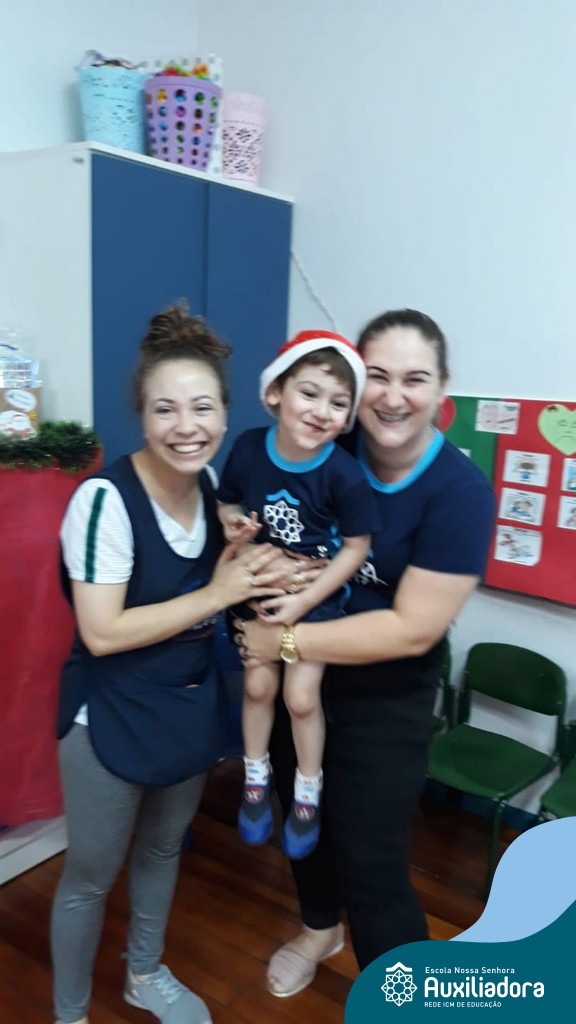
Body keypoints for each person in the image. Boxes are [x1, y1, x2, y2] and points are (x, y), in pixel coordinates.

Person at [237, 308, 496, 996]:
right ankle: (319, 927)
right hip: (304, 677)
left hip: (388, 693)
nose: (393, 396)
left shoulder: (460, 493)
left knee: (372, 860)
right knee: (303, 814)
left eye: (415, 378)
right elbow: (265, 511)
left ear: (442, 389)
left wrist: (280, 637)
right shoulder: (328, 444)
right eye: (376, 376)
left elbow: (413, 628)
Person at [50, 305, 283, 1024]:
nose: (187, 426)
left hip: (185, 704)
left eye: (203, 407)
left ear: (225, 412)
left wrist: (246, 558)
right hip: (108, 713)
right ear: (142, 416)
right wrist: (218, 591)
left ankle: (144, 974)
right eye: (166, 409)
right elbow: (102, 632)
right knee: (90, 877)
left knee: (160, 851)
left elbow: (220, 579)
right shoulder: (104, 502)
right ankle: (69, 1013)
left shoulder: (211, 487)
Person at [217, 331, 379, 860]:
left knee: (301, 698)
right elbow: (227, 503)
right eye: (309, 393)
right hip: (259, 592)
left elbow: (356, 547)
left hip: (316, 600)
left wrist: (305, 602)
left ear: (348, 417)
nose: (320, 411)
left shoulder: (343, 474)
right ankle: (256, 776)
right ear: (275, 394)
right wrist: (234, 530)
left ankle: (308, 789)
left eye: (338, 403)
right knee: (258, 688)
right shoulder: (247, 449)